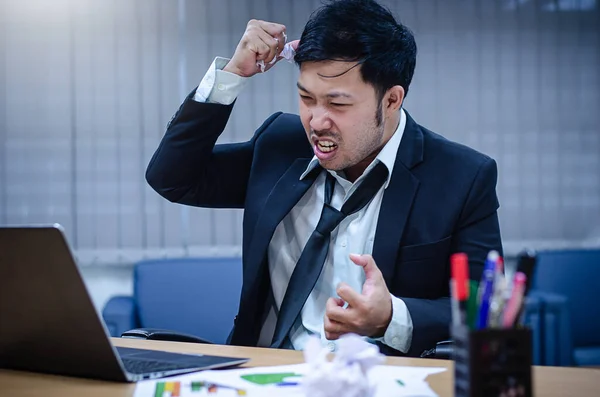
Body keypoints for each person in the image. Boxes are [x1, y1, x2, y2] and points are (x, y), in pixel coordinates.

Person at [146, 0, 502, 357]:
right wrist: (232, 75)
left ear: (391, 100)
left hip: (374, 383)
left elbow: (484, 316)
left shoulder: (462, 178)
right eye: (306, 98)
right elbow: (172, 178)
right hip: (262, 374)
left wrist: (392, 318)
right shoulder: (281, 145)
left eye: (337, 104)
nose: (316, 122)